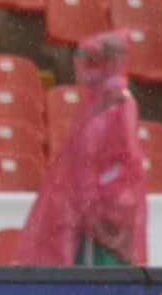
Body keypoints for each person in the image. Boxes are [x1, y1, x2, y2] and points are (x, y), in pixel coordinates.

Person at [14, 29, 147, 265]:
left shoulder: (118, 103)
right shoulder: (103, 103)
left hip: (102, 213)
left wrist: (96, 198)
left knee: (98, 276)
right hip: (93, 211)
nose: (87, 70)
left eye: (94, 61)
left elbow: (123, 158)